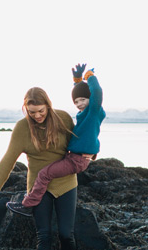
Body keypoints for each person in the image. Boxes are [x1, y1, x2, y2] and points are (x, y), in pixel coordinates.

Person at [0, 87, 78, 250]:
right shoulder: (22, 128)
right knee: (43, 237)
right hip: (38, 188)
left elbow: (80, 145)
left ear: (48, 105)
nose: (37, 116)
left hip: (66, 183)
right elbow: (9, 159)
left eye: (40, 111)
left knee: (66, 234)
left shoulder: (63, 119)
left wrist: (92, 152)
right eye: (31, 111)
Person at [6, 63, 105, 217]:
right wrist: (78, 80)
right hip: (74, 156)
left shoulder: (93, 111)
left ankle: (28, 205)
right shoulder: (85, 112)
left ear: (91, 99)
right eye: (76, 102)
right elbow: (83, 94)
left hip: (76, 160)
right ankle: (33, 202)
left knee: (44, 174)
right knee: (46, 173)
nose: (79, 104)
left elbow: (96, 92)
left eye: (82, 100)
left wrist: (90, 77)